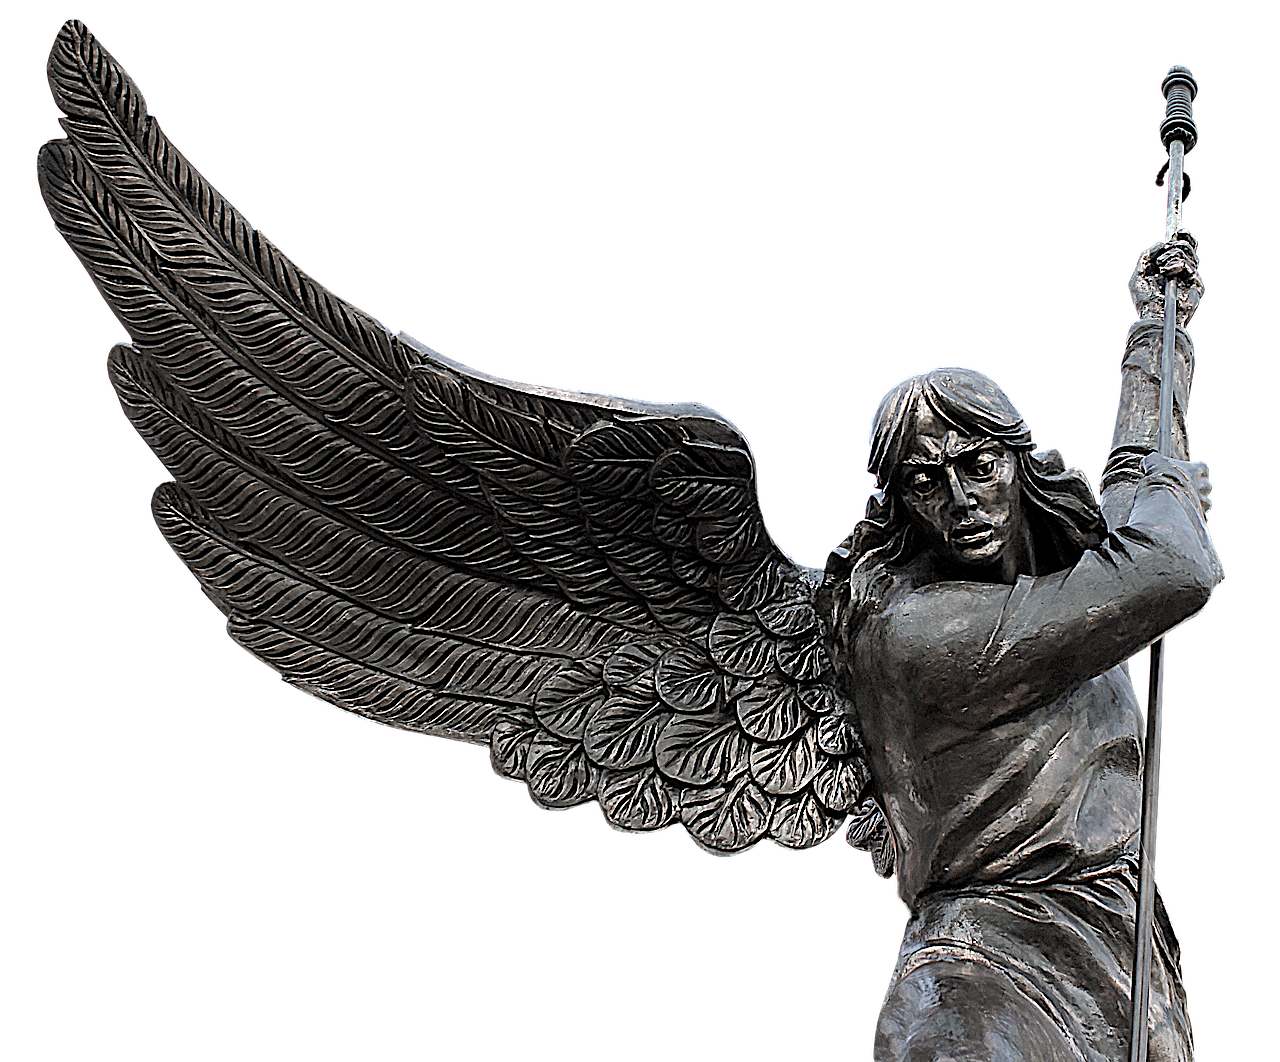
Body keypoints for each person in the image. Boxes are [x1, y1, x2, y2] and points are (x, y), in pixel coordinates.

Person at [824, 233, 1220, 1061]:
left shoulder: (1062, 602)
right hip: (987, 973)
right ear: (897, 504)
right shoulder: (916, 634)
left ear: (1019, 462)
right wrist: (1174, 497)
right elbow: (1175, 566)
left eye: (979, 464)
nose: (961, 499)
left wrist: (1158, 330)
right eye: (925, 481)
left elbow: (1131, 505)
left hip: (1112, 946)